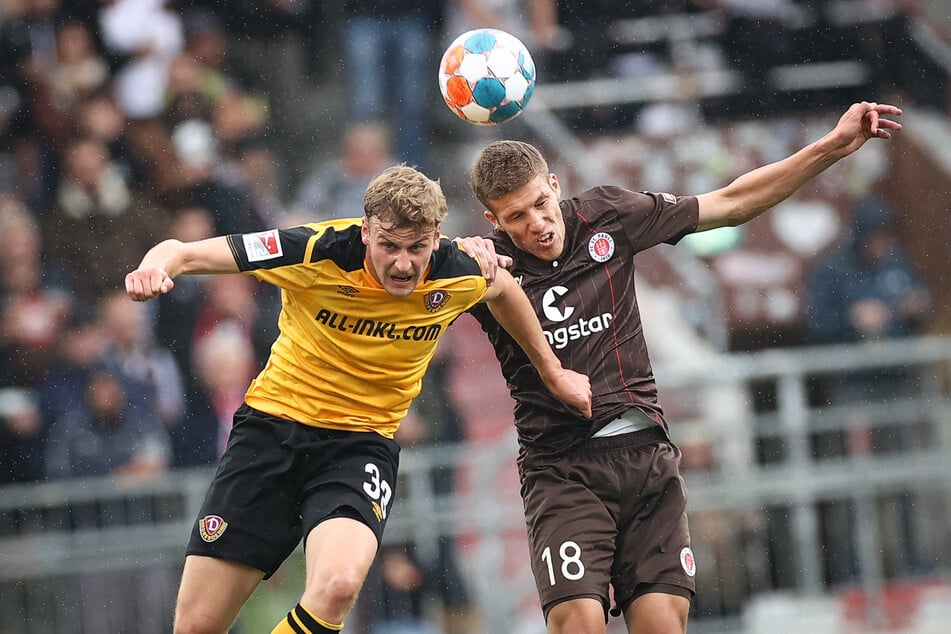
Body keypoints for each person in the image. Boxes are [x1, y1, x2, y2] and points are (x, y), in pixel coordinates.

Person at [459, 101, 902, 633]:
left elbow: (731, 202)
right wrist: (457, 254)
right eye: (516, 217)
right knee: (577, 623)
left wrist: (830, 146)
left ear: (554, 183)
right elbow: (397, 273)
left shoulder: (607, 215)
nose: (537, 224)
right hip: (562, 469)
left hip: (644, 457)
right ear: (492, 220)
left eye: (540, 204)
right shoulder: (482, 269)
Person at [124, 164, 592, 634]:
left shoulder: (460, 269)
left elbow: (504, 290)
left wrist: (553, 373)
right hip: (270, 434)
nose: (404, 264)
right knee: (196, 626)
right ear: (366, 232)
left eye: (417, 247)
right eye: (389, 246)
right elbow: (182, 253)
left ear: (436, 237)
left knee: (340, 584)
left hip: (359, 448)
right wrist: (154, 267)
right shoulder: (313, 249)